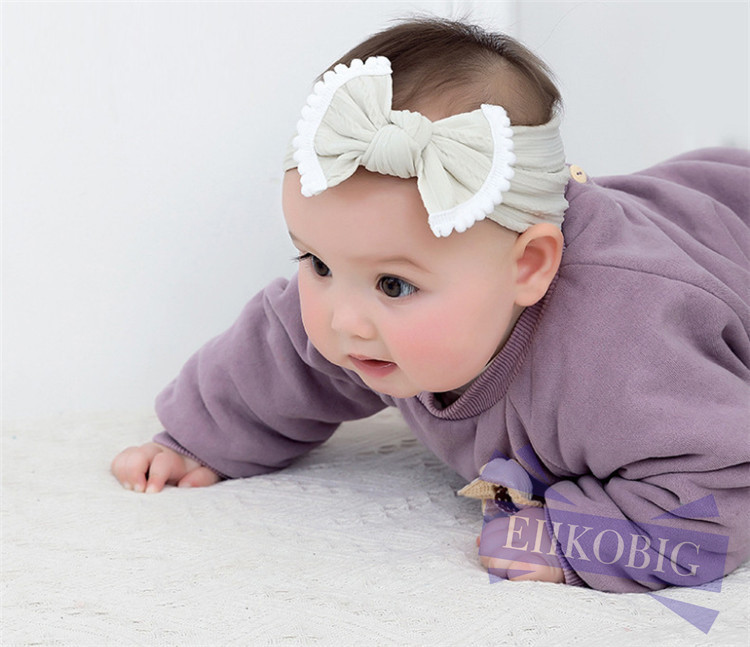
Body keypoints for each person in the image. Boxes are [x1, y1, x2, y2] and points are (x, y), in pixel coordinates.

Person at [111, 17, 750, 593]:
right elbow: (278, 357)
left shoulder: (622, 351)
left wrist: (576, 537)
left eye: (393, 285)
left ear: (528, 266)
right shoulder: (359, 316)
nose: (343, 320)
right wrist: (196, 440)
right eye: (318, 263)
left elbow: (726, 485)